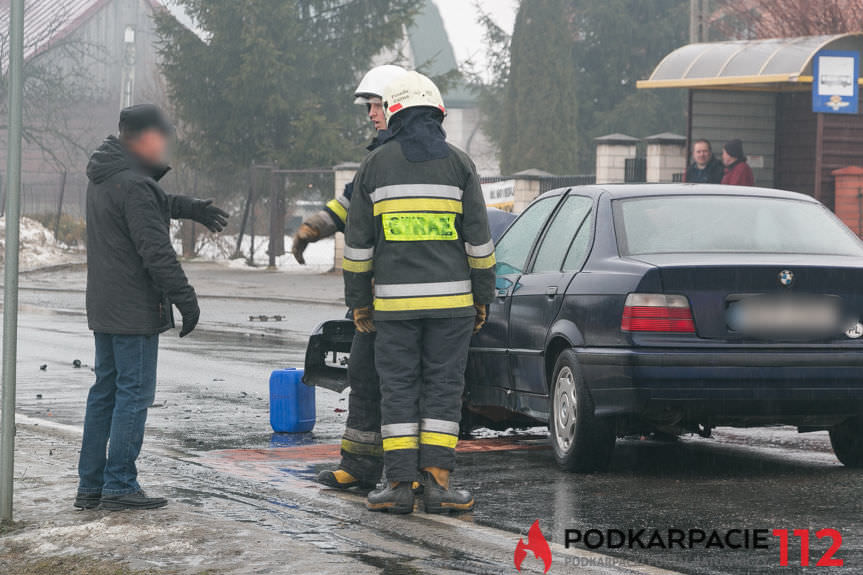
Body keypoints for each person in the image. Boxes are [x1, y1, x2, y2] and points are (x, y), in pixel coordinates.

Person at [344, 72, 495, 514]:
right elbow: (479, 242)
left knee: (398, 391)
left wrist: (359, 301)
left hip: (394, 309)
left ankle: (398, 487)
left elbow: (357, 247)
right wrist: (482, 296)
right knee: (444, 390)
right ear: (437, 115)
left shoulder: (375, 166)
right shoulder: (459, 164)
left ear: (394, 114)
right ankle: (439, 485)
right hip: (453, 308)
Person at [75, 104, 229, 511]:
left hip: (106, 307)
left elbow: (144, 202)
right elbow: (156, 251)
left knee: (105, 393)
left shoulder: (108, 175)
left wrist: (190, 207)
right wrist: (186, 298)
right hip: (133, 310)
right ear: (144, 137)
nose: (164, 143)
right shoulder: (135, 185)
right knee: (133, 395)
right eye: (161, 135)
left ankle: (91, 485)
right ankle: (120, 484)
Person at [294, 65, 409, 491]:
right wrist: (315, 227)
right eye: (371, 106)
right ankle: (359, 467)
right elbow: (349, 206)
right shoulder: (377, 158)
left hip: (405, 296)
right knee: (363, 374)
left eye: (377, 105)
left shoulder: (413, 159)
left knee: (400, 386)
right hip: (376, 295)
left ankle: (409, 476)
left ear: (399, 106)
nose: (371, 113)